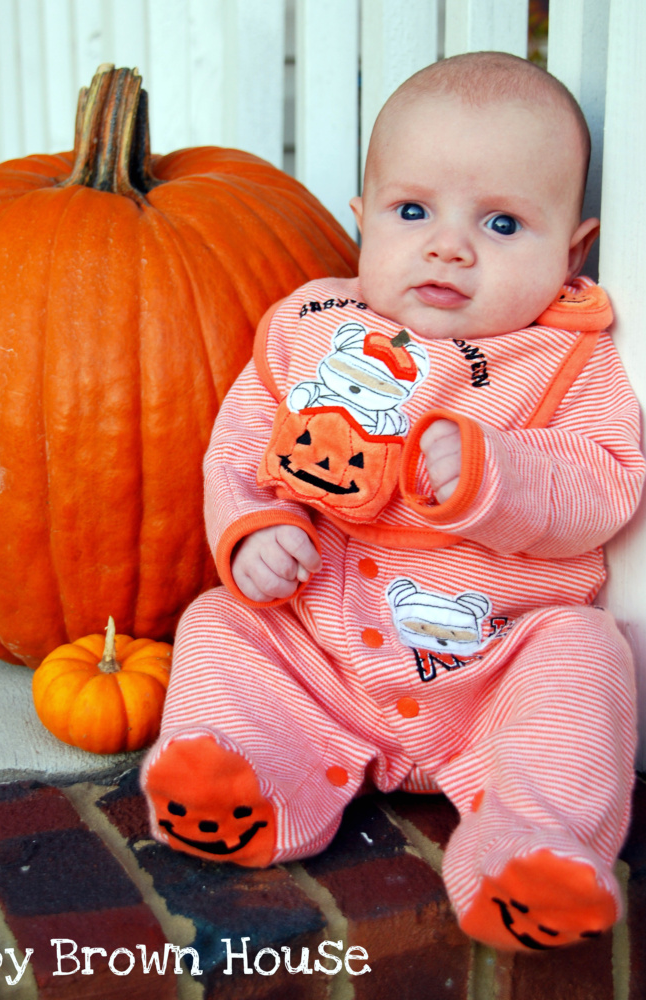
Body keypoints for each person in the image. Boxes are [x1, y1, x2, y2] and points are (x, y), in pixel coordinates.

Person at [141, 51, 645, 952]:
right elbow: (240, 450)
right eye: (413, 212)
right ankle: (247, 773)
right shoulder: (311, 329)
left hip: (493, 666)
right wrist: (259, 527)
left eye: (501, 222)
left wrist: (501, 473)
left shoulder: (568, 360)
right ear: (362, 222)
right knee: (220, 622)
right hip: (322, 650)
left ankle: (532, 842)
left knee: (584, 651)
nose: (449, 246)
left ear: (571, 251)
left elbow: (606, 481)